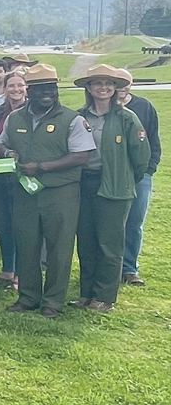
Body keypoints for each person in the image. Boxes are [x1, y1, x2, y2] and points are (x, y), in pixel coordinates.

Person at [0, 63, 94, 318]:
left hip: (60, 193)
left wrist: (41, 167)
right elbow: (2, 144)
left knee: (59, 248)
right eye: (41, 88)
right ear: (29, 90)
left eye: (51, 88)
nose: (47, 93)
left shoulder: (73, 119)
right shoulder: (14, 117)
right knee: (26, 244)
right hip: (25, 193)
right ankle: (28, 297)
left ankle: (53, 301)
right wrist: (8, 153)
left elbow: (81, 157)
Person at [70, 65, 150, 312]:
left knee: (109, 244)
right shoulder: (79, 116)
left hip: (114, 188)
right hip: (85, 184)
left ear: (115, 88)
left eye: (108, 84)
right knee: (86, 241)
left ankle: (105, 297)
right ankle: (86, 293)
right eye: (97, 83)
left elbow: (141, 157)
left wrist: (123, 178)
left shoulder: (127, 118)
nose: (103, 88)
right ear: (89, 88)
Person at [0, 70, 28, 290]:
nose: (16, 90)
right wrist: (4, 151)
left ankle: (22, 274)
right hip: (1, 175)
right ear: (5, 88)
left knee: (22, 224)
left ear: (26, 87)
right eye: (12, 86)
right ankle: (7, 270)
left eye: (20, 85)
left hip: (26, 175)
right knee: (4, 223)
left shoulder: (33, 110)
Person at [118, 70, 160, 286]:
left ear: (131, 84)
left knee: (134, 222)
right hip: (112, 175)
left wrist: (148, 169)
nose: (122, 86)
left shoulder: (144, 107)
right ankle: (108, 268)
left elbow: (153, 140)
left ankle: (129, 269)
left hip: (139, 175)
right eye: (119, 82)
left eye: (127, 82)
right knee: (111, 224)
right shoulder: (105, 108)